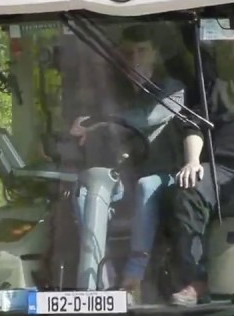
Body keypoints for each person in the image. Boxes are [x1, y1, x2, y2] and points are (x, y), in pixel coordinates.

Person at [70, 24, 184, 296]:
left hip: (167, 175)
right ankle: (99, 282)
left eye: (141, 51)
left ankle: (134, 276)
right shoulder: (114, 93)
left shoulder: (172, 88)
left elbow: (146, 118)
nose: (134, 59)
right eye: (128, 53)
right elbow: (95, 130)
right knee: (84, 191)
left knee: (146, 184)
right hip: (124, 175)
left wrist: (98, 122)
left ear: (155, 54)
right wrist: (84, 130)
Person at [165, 33, 234, 306]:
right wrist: (192, 162)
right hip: (222, 167)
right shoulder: (217, 87)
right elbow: (194, 125)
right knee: (189, 188)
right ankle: (195, 283)